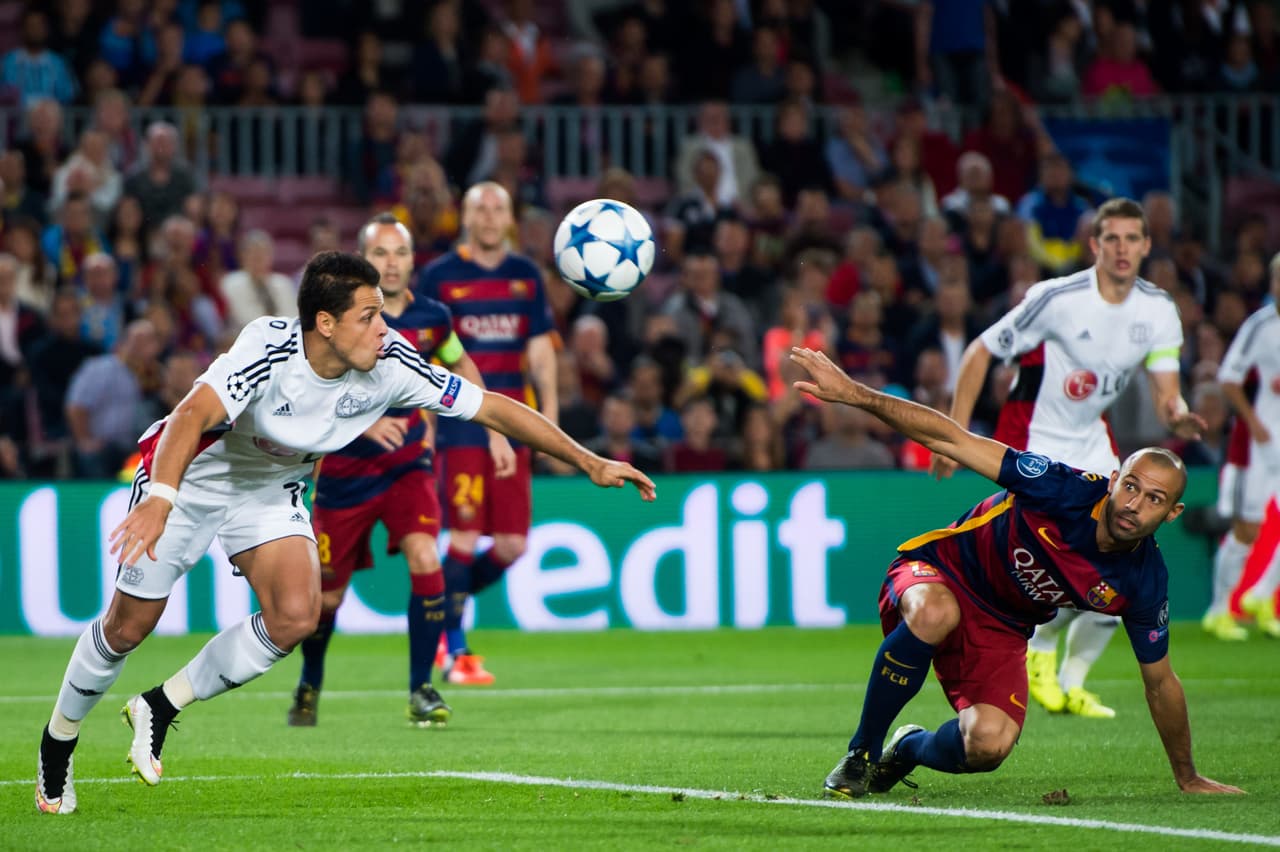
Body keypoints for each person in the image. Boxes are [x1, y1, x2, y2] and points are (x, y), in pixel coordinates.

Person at [34, 251, 655, 815]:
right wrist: (161, 499)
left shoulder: (392, 363)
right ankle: (57, 745)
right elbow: (194, 414)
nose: (382, 328)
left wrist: (590, 461)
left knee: (296, 615)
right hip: (193, 474)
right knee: (128, 628)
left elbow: (492, 406)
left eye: (382, 313)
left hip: (269, 489)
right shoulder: (268, 348)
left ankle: (159, 706)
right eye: (367, 316)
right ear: (325, 324)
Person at [787, 346, 1242, 800]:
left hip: (1002, 625)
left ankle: (908, 747)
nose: (1135, 505)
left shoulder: (1143, 579)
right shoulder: (1058, 489)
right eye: (1131, 486)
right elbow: (952, 439)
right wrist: (855, 395)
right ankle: (861, 753)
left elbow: (1160, 683)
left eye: (1154, 500)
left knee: (989, 743)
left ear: (1173, 513)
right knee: (935, 614)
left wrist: (1188, 776)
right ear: (1113, 479)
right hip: (940, 570)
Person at [933, 197, 1202, 720]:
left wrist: (1179, 414)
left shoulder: (1159, 311)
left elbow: (1168, 392)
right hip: (1035, 437)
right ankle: (1038, 651)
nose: (1122, 249)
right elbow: (981, 350)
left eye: (1132, 239)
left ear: (1146, 246)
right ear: (1095, 245)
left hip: (1092, 441)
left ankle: (1069, 681)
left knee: (1122, 561)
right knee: (1067, 565)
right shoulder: (1056, 298)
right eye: (1112, 239)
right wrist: (957, 435)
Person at [285, 214, 515, 729]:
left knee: (423, 555)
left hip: (408, 466)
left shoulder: (433, 318)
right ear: (365, 261)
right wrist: (366, 428)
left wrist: (495, 432)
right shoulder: (344, 317)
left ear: (414, 261)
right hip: (345, 472)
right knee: (327, 596)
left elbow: (462, 367)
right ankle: (309, 683)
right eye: (381, 253)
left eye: (400, 253)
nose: (391, 263)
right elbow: (312, 383)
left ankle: (421, 688)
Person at [417, 182, 558, 685]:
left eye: (500, 207)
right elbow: (425, 354)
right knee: (464, 537)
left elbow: (540, 352)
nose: (492, 216)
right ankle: (456, 652)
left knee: (511, 545)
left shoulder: (526, 275)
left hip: (515, 425)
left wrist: (551, 423)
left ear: (510, 218)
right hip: (461, 426)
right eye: (482, 208)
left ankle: (439, 617)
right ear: (466, 217)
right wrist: (427, 424)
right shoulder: (439, 276)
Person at [1217, 256, 1280, 638]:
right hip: (1260, 443)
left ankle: (1262, 595)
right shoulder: (1261, 326)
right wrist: (1253, 421)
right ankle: (1218, 609)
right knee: (1247, 529)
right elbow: (1228, 378)